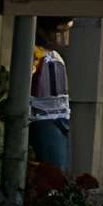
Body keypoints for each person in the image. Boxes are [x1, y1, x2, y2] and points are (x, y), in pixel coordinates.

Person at [30, 19, 73, 169]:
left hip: (60, 117)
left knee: (59, 171)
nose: (59, 37)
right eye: (57, 32)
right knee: (53, 170)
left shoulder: (54, 57)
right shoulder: (34, 55)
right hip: (42, 117)